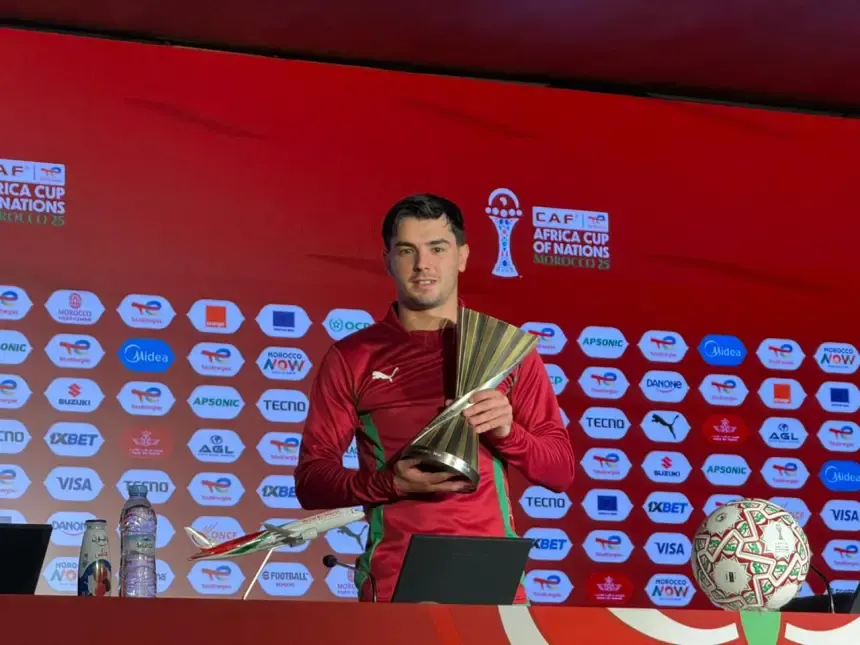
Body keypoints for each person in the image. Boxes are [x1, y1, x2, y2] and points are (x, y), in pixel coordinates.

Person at [294, 193, 576, 603]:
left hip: (493, 580)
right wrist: (388, 482)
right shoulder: (352, 357)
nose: (422, 264)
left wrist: (507, 432)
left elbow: (561, 471)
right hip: (395, 583)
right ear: (388, 259)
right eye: (407, 250)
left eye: (437, 249)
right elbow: (311, 481)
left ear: (462, 256)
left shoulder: (507, 351)